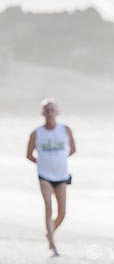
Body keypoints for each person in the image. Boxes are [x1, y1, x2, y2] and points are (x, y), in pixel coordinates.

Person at [26, 98, 76, 256]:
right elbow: (28, 155)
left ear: (57, 112)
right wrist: (42, 164)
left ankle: (50, 232)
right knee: (48, 207)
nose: (49, 113)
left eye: (52, 110)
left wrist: (58, 160)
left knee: (62, 212)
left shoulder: (65, 130)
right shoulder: (36, 133)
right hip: (44, 176)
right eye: (46, 110)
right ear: (42, 113)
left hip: (61, 176)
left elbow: (73, 150)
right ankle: (52, 245)